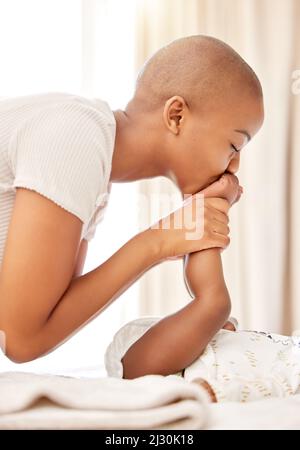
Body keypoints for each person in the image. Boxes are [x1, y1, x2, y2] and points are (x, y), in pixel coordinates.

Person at [0, 34, 263, 364]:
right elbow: (21, 339)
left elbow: (50, 314)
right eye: (235, 145)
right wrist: (155, 243)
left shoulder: (93, 168)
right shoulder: (76, 136)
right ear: (177, 115)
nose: (235, 166)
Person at [105, 175, 300, 403]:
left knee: (214, 303)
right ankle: (204, 212)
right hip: (184, 348)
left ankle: (209, 207)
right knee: (211, 305)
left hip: (176, 370)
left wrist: (220, 392)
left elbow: (278, 387)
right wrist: (226, 333)